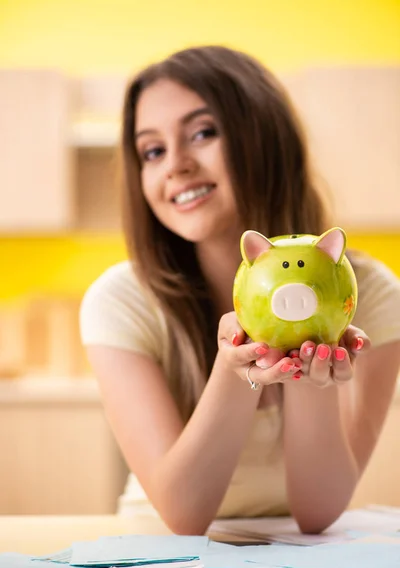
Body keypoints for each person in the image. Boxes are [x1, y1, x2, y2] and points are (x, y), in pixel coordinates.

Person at [80, 45, 400, 535]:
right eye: (153, 150)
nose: (176, 165)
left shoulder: (369, 294)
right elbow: (184, 516)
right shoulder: (121, 302)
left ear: (266, 139)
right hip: (164, 561)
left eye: (203, 132)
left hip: (311, 560)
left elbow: (317, 514)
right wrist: (235, 369)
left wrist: (310, 376)